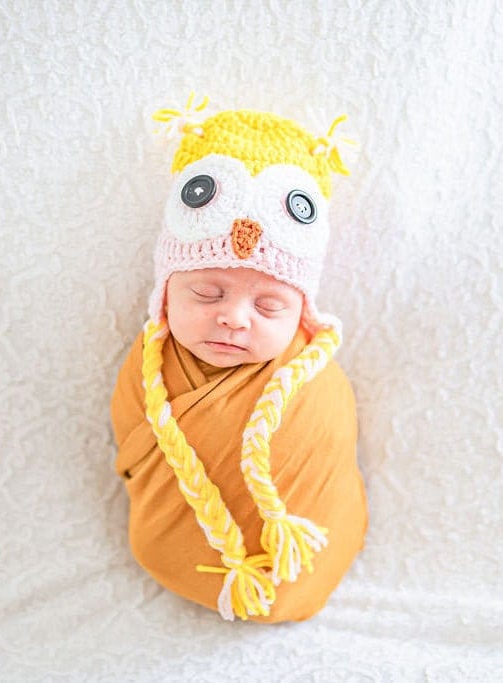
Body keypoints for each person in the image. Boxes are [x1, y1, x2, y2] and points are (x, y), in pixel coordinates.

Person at [111, 99, 368, 622]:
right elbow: (133, 452)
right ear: (164, 294)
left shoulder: (315, 384)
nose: (234, 318)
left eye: (269, 305)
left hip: (299, 569)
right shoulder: (149, 366)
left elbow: (325, 474)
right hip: (166, 552)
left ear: (302, 313)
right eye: (206, 293)